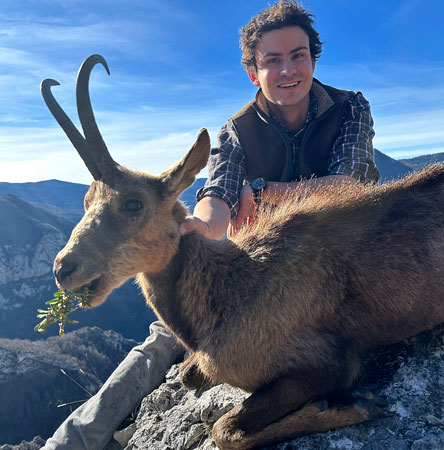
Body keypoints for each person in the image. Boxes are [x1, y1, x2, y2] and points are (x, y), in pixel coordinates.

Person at [42, 1, 378, 448]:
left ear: (314, 59)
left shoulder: (349, 108)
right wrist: (199, 226)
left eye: (298, 55)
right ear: (253, 72)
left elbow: (350, 186)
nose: (287, 69)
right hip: (250, 272)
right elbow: (217, 193)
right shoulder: (236, 131)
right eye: (271, 60)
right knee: (162, 341)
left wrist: (262, 193)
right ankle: (72, 442)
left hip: (338, 260)